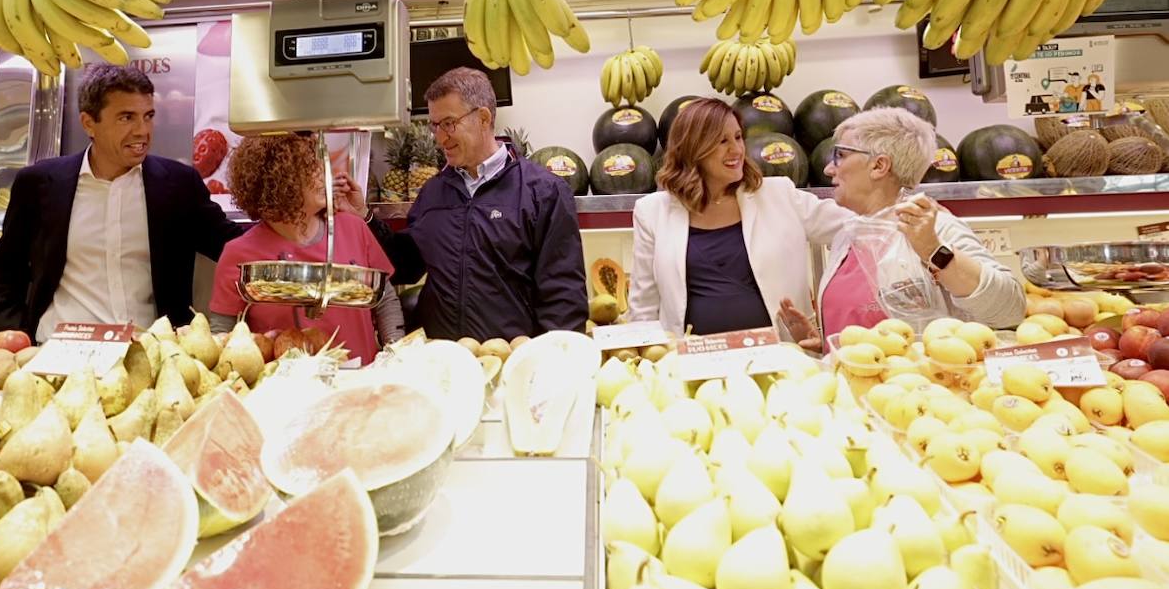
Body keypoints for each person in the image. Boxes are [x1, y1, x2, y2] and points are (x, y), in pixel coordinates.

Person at [0, 64, 244, 340]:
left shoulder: (179, 185)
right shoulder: (38, 184)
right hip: (58, 351)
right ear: (88, 123)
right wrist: (14, 336)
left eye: (148, 116)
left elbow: (234, 247)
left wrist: (288, 236)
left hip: (152, 352)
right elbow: (4, 270)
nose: (142, 131)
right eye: (126, 118)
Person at [340, 67, 587, 341]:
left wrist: (553, 363)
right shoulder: (435, 191)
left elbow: (563, 294)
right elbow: (407, 266)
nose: (440, 137)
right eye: (435, 126)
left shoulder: (543, 192)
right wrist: (364, 215)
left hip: (509, 360)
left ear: (483, 118)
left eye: (448, 123)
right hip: (443, 362)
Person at [781, 107, 1025, 347]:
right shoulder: (848, 235)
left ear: (879, 166)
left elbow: (1009, 309)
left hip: (916, 384)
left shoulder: (935, 228)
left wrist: (934, 251)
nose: (828, 168)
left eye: (840, 156)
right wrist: (827, 343)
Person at [627, 98, 853, 337]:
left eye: (737, 137)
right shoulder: (652, 212)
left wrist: (891, 205)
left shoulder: (779, 194)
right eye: (722, 141)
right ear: (693, 148)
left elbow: (854, 225)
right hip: (692, 362)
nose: (736, 149)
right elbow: (643, 305)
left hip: (783, 356)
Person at [207, 134, 402, 363]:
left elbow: (386, 300)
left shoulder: (353, 228)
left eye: (320, 166)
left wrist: (395, 355)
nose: (324, 177)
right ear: (280, 184)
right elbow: (221, 334)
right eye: (310, 170)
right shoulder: (238, 254)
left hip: (362, 384)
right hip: (286, 389)